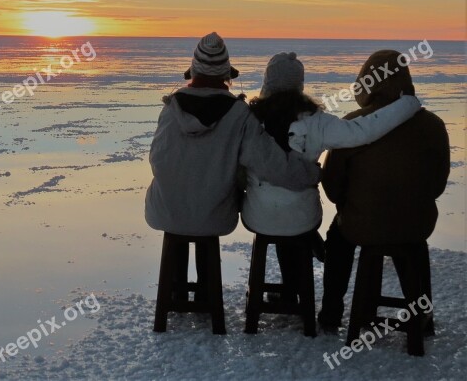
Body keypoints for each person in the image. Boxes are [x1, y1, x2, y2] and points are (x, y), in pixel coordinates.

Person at [241, 52, 421, 301]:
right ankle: (296, 284)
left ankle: (289, 290)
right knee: (293, 216)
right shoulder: (317, 122)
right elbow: (363, 131)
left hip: (258, 216)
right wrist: (407, 104)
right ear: (299, 85)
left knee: (276, 207)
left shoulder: (248, 121)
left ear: (267, 82)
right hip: (303, 217)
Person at [317, 50, 450, 332]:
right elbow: (437, 185)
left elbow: (332, 187)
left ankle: (331, 312)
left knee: (338, 238)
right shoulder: (434, 126)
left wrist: (355, 204)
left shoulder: (354, 124)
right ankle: (421, 318)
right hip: (416, 224)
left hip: (362, 225)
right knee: (412, 245)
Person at [145, 33, 321, 237]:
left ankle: (172, 268)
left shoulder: (171, 108)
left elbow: (157, 159)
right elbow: (270, 164)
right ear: (227, 75)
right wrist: (312, 174)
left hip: (162, 214)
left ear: (192, 72)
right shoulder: (238, 114)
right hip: (215, 218)